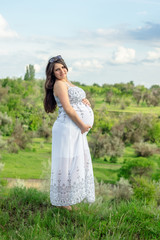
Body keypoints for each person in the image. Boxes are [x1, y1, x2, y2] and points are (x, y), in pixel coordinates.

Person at [44, 55, 95, 211]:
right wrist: (82, 125)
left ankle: (69, 198)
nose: (61, 71)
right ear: (52, 74)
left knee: (75, 161)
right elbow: (67, 108)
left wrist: (85, 101)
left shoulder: (66, 82)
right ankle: (64, 201)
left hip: (74, 128)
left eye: (62, 67)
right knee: (66, 163)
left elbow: (74, 100)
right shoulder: (59, 84)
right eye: (57, 70)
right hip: (67, 127)